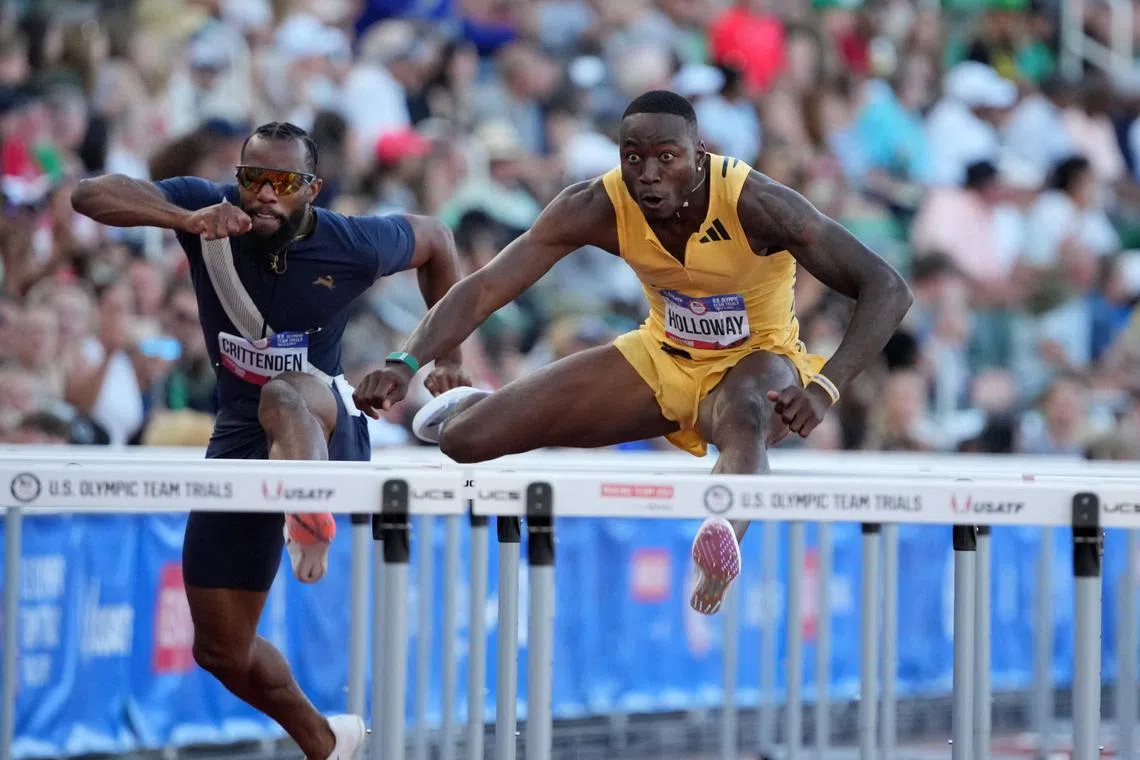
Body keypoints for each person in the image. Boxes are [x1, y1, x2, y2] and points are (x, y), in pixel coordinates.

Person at [353, 91, 913, 616]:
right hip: (661, 356)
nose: (648, 174)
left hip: (758, 358)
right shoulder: (596, 204)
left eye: (667, 157)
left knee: (746, 410)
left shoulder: (757, 204)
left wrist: (824, 387)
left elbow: (887, 287)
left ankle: (721, 540)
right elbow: (485, 287)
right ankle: (475, 408)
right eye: (633, 158)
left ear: (701, 154)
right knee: (462, 443)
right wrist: (406, 361)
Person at [70, 121, 468, 760]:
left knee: (284, 391)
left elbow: (438, 241)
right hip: (240, 433)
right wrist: (187, 218)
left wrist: (439, 351)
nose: (262, 196)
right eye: (252, 179)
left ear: (311, 188)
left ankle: (310, 513)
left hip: (326, 418)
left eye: (281, 183)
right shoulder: (209, 208)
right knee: (220, 650)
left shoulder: (352, 242)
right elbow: (89, 195)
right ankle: (325, 741)